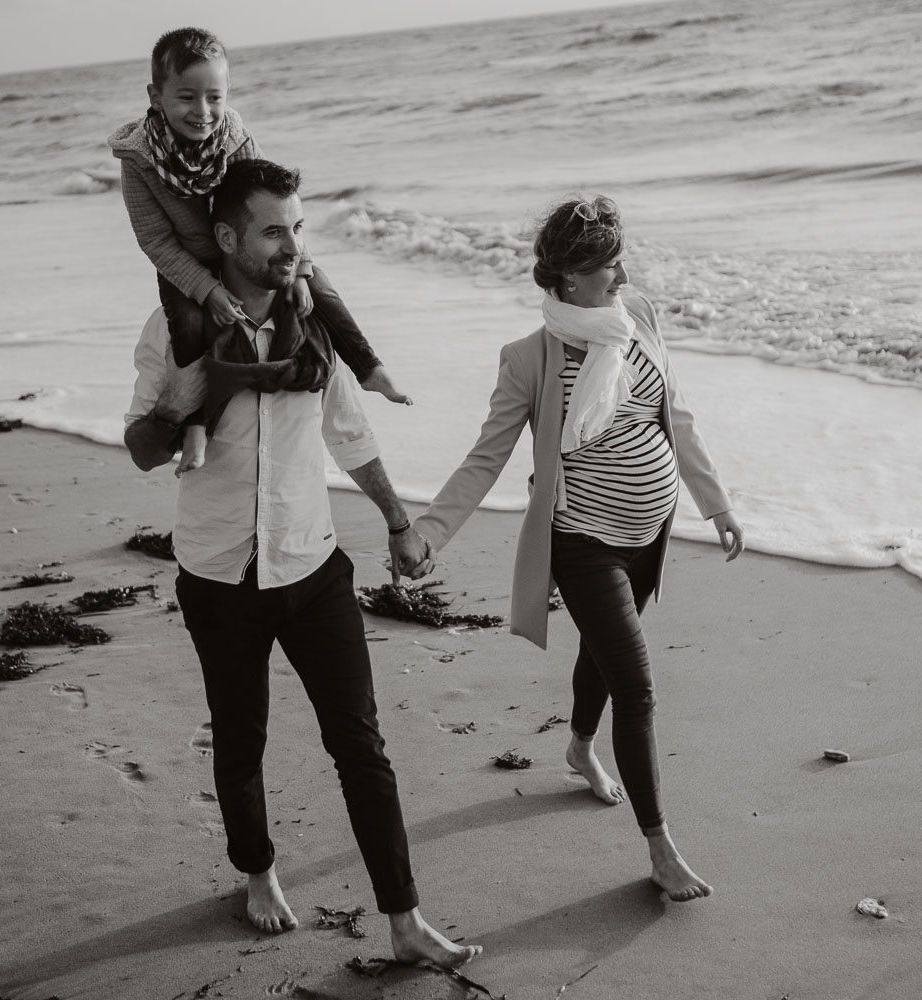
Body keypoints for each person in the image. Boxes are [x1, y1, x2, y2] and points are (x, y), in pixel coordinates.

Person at [124, 157, 479, 967]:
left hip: (312, 567)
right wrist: (181, 400)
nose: (293, 245)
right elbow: (142, 449)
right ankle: (257, 873)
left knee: (361, 745)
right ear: (227, 237)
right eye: (275, 229)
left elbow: (350, 436)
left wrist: (397, 520)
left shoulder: (310, 321)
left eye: (299, 226)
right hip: (217, 574)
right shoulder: (173, 333)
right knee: (241, 738)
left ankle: (406, 920)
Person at [413, 195, 744, 903]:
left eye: (621, 259)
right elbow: (487, 455)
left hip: (650, 531)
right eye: (603, 266)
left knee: (603, 650)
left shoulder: (639, 318)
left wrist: (714, 502)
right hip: (582, 539)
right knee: (637, 684)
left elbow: (676, 416)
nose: (620, 276)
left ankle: (578, 747)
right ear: (565, 278)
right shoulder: (529, 360)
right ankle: (660, 849)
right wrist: (430, 533)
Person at [111, 27, 409, 475]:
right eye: (187, 97)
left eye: (214, 97)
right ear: (156, 96)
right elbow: (155, 240)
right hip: (185, 263)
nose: (203, 111)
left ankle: (369, 367)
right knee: (189, 327)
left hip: (242, 249)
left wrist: (301, 271)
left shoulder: (233, 134)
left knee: (320, 289)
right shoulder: (138, 159)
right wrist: (205, 287)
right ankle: (194, 425)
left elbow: (272, 201)